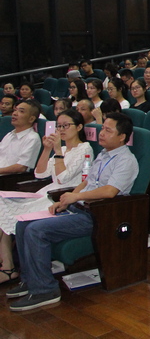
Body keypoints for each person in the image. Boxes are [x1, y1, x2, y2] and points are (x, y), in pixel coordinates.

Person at [8, 113, 139, 311]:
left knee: (36, 230)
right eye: (103, 128)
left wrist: (76, 197)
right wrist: (67, 199)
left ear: (122, 137)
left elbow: (110, 191)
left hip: (97, 215)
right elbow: (87, 182)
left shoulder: (126, 160)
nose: (102, 133)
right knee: (23, 224)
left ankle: (45, 290)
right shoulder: (104, 154)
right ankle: (30, 280)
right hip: (78, 208)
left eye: (108, 130)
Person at [0, 109, 92, 283]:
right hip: (46, 192)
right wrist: (47, 149)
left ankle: (8, 268)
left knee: (14, 216)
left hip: (60, 196)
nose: (61, 130)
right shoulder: (62, 149)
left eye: (66, 126)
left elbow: (63, 178)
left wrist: (57, 151)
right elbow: (40, 174)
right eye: (59, 126)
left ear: (79, 127)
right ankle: (7, 264)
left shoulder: (85, 149)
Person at [0, 100, 42, 176]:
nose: (14, 113)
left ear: (31, 119)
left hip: (9, 178)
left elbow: (21, 167)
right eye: (15, 110)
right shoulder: (10, 134)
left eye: (21, 111)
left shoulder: (32, 138)